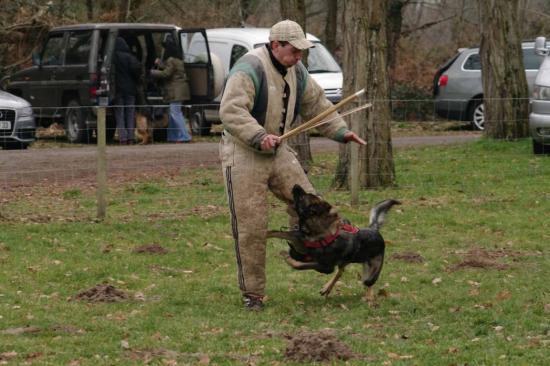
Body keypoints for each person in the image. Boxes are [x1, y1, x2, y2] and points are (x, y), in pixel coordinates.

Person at [219, 19, 365, 311]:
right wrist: (259, 136)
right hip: (244, 153)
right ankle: (253, 294)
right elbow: (231, 110)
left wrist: (341, 132)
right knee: (251, 227)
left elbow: (318, 105)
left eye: (302, 51)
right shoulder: (249, 68)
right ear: (275, 45)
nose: (299, 57)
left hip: (279, 151)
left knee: (314, 207)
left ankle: (308, 254)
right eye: (294, 50)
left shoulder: (297, 70)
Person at [150, 37, 192, 143]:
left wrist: (152, 72)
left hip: (175, 91)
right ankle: (172, 136)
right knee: (173, 114)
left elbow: (166, 74)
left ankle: (185, 136)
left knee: (175, 113)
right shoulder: (178, 60)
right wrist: (160, 64)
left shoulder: (171, 60)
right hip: (181, 90)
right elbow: (170, 69)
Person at [113, 37, 142, 145]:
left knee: (119, 113)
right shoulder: (130, 57)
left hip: (118, 89)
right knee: (130, 112)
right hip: (130, 89)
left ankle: (122, 138)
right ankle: (131, 137)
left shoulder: (113, 57)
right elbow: (137, 70)